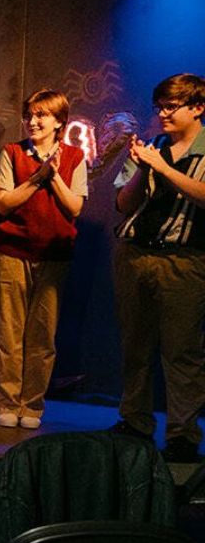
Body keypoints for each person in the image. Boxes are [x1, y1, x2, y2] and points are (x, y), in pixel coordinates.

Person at [111, 73, 205, 462]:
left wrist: (164, 169)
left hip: (184, 261)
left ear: (197, 108)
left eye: (171, 107)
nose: (163, 114)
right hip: (135, 256)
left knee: (182, 351)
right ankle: (135, 421)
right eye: (159, 107)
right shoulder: (152, 147)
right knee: (135, 346)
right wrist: (143, 169)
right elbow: (123, 204)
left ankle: (183, 435)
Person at [0, 89, 86, 429]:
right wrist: (37, 177)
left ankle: (32, 404)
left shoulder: (74, 156)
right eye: (29, 115)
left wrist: (53, 175)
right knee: (8, 332)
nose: (33, 121)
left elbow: (75, 207)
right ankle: (7, 401)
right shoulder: (12, 152)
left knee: (43, 335)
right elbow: (3, 204)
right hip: (11, 251)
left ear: (59, 122)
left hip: (54, 256)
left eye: (42, 115)